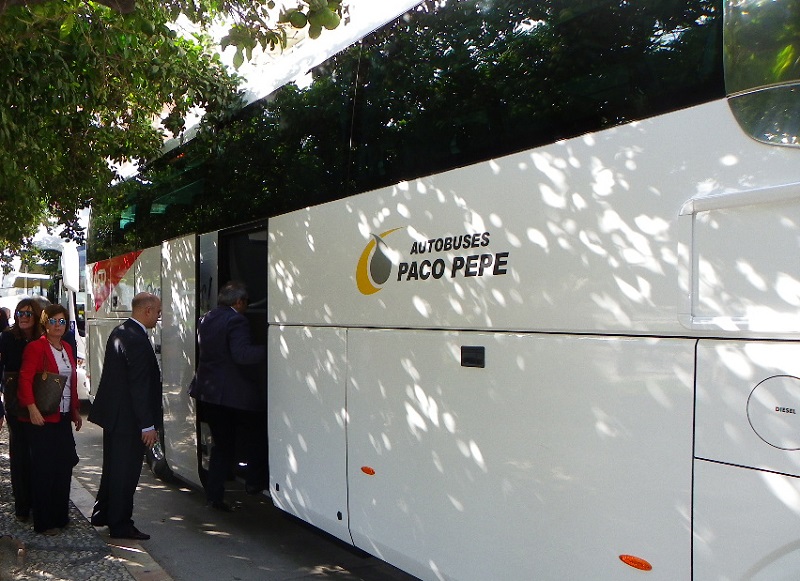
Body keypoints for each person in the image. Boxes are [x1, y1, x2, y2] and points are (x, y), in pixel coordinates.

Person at [88, 292, 161, 540]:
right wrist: (147, 425)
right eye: (158, 312)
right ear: (147, 310)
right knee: (125, 474)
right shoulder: (137, 339)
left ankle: (104, 513)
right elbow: (139, 385)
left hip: (115, 417)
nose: (159, 317)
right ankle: (120, 524)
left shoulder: (120, 331)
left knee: (113, 469)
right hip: (128, 420)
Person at [190, 281, 267, 512]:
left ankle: (214, 494)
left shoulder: (207, 318)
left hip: (208, 392)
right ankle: (254, 480)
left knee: (221, 444)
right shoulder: (237, 320)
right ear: (239, 302)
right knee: (257, 432)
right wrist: (271, 347)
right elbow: (242, 355)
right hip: (232, 395)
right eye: (246, 302)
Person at [17, 303, 82, 535]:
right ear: (45, 323)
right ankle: (44, 522)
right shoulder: (36, 348)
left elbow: (71, 381)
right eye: (53, 321)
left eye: (62, 321)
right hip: (42, 417)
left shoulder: (66, 347)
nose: (58, 325)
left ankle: (60, 516)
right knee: (44, 470)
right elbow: (25, 380)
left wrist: (75, 410)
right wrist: (32, 408)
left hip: (63, 416)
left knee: (64, 466)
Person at [0, 298, 44, 522]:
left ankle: (38, 503)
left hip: (40, 401)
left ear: (36, 316)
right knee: (19, 454)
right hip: (16, 402)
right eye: (20, 314)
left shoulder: (42, 338)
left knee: (38, 454)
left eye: (28, 314)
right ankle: (22, 507)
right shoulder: (7, 337)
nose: (24, 317)